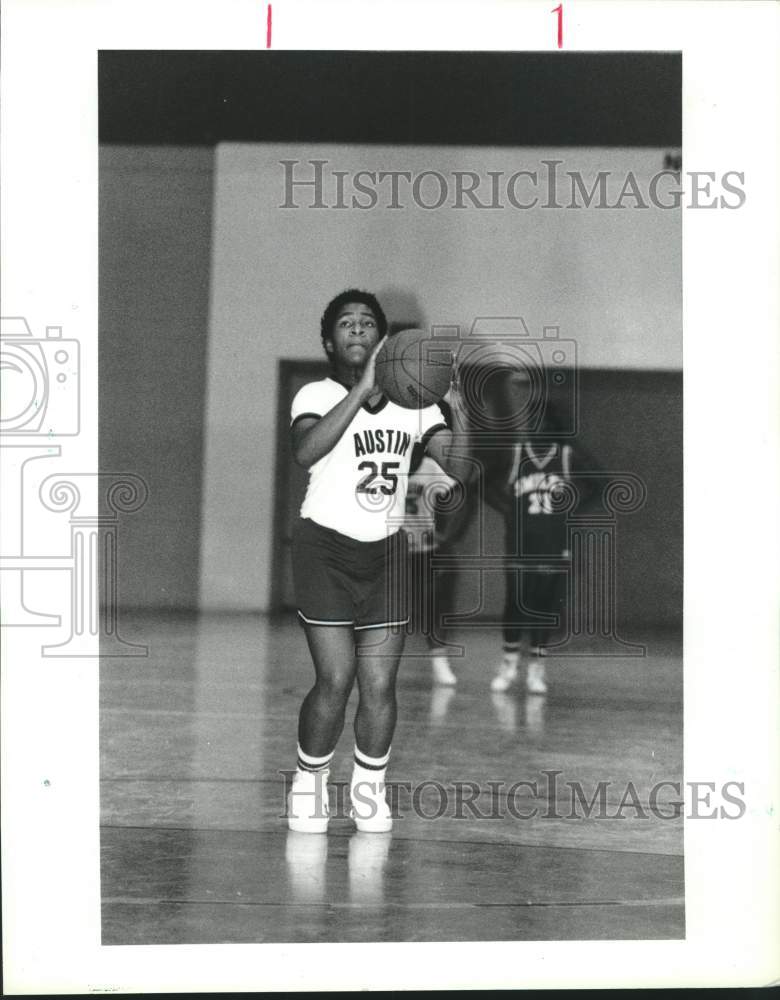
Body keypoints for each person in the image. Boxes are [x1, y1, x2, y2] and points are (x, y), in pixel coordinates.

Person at [286, 290, 464, 834]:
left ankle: (369, 787)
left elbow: (460, 466)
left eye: (368, 324)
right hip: (325, 548)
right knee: (336, 679)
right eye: (347, 323)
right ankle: (308, 782)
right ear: (328, 340)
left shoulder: (417, 404)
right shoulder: (314, 392)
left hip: (387, 551)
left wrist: (455, 403)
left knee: (380, 683)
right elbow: (307, 451)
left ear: (386, 340)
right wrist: (363, 390)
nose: (358, 331)